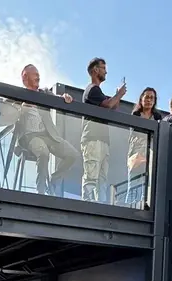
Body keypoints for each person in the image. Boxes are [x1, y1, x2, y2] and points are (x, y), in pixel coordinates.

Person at [15, 64, 77, 196]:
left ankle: (55, 179)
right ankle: (41, 191)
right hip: (30, 137)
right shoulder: (18, 95)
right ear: (25, 76)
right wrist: (22, 107)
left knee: (73, 155)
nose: (38, 76)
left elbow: (57, 98)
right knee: (43, 153)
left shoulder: (44, 92)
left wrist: (65, 97)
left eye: (38, 74)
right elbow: (7, 109)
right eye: (35, 74)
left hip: (49, 135)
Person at [81, 58, 127, 203]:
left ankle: (100, 205)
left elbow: (112, 107)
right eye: (103, 68)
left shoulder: (97, 91)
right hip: (93, 139)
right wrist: (119, 94)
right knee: (92, 175)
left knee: (102, 177)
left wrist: (117, 96)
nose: (106, 71)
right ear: (95, 70)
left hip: (102, 139)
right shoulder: (92, 89)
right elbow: (107, 105)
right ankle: (87, 205)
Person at [127, 87, 161, 206]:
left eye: (152, 98)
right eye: (147, 97)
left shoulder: (157, 117)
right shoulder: (136, 114)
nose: (149, 100)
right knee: (133, 181)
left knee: (148, 182)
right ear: (141, 98)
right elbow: (134, 135)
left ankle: (144, 205)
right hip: (136, 153)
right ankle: (130, 205)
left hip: (151, 153)